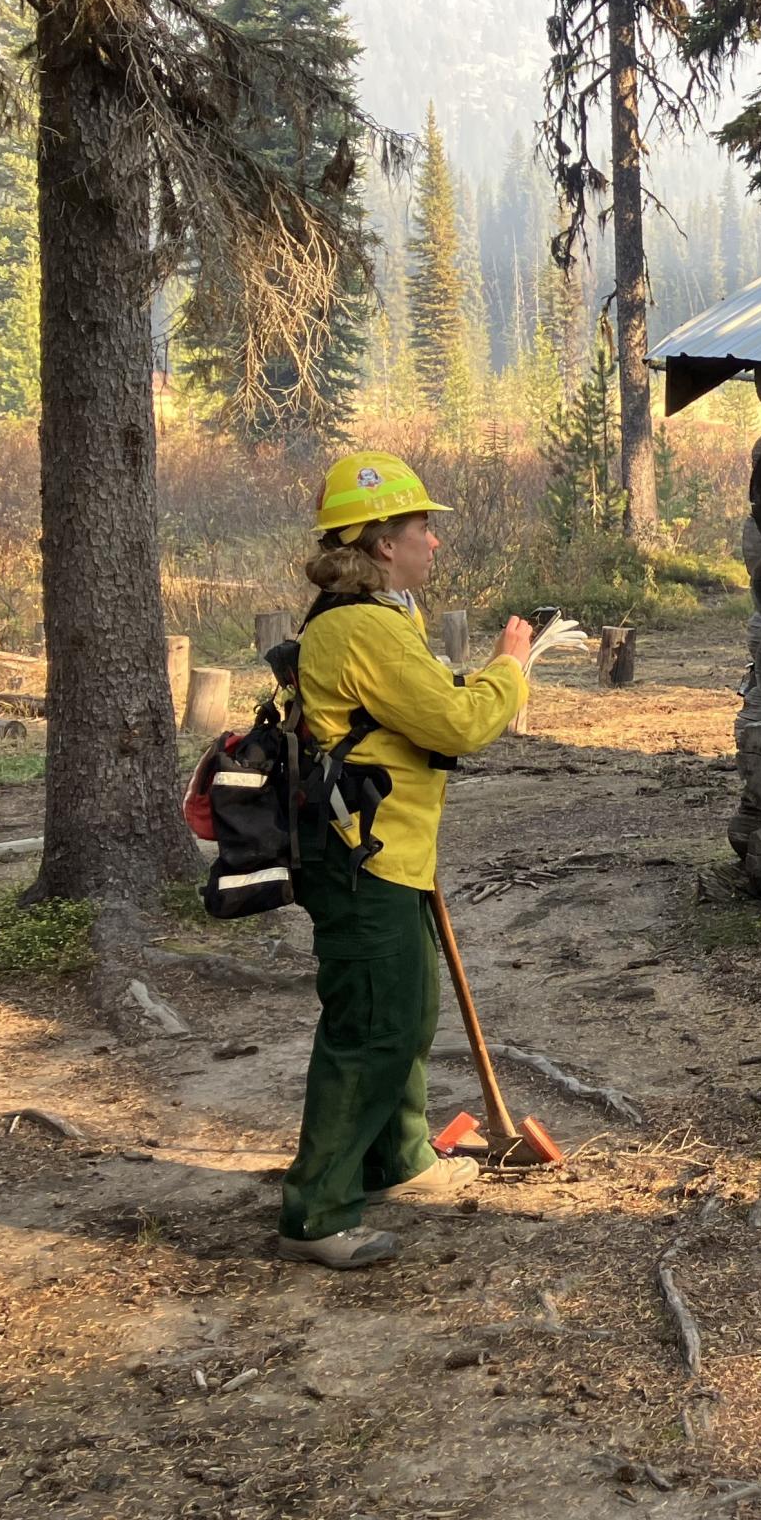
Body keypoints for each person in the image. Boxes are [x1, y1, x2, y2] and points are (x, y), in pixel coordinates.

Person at [275, 451, 534, 1270]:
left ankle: (398, 1159)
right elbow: (455, 725)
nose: (432, 540)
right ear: (383, 542)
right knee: (371, 1029)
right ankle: (317, 1213)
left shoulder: (377, 619)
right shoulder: (361, 628)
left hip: (390, 854)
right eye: (424, 526)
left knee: (408, 1013)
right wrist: (511, 669)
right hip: (362, 861)